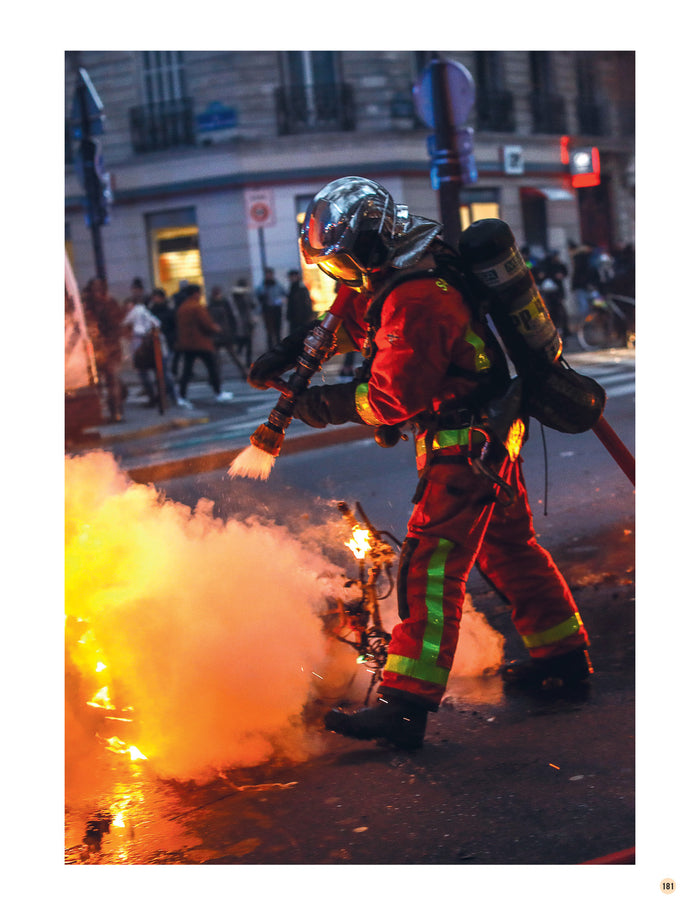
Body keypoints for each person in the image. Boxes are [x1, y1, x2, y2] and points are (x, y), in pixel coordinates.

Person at [248, 176, 593, 750]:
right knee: (508, 547)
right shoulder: (410, 271)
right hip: (488, 433)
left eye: (339, 263)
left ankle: (404, 706)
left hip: (465, 444)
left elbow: (390, 397)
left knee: (429, 569)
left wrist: (321, 404)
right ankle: (562, 656)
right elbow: (360, 320)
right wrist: (295, 348)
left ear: (364, 248)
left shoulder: (417, 298)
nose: (339, 277)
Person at [123, 294, 187, 409]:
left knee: (148, 372)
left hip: (146, 349)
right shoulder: (145, 313)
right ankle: (170, 397)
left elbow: (127, 326)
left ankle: (158, 397)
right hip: (156, 347)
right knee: (162, 373)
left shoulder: (136, 312)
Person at [175, 283, 233, 404]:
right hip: (201, 342)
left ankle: (182, 395)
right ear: (195, 294)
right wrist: (216, 328)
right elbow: (206, 323)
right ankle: (218, 392)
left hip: (187, 343)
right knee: (212, 368)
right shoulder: (197, 307)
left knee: (186, 370)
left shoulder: (182, 307)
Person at [82, 277, 126, 423]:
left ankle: (106, 412)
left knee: (100, 382)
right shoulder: (108, 302)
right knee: (110, 382)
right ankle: (115, 412)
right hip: (107, 348)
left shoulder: (88, 304)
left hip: (99, 348)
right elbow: (117, 325)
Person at [208, 286, 247, 378]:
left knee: (233, 355)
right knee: (218, 358)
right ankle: (216, 376)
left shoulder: (223, 304)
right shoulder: (214, 305)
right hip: (218, 334)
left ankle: (244, 372)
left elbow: (232, 318)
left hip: (225, 333)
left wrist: (233, 332)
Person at [256, 267, 286, 349]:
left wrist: (279, 302)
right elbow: (258, 297)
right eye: (267, 274)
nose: (268, 276)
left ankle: (279, 346)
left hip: (276, 310)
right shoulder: (262, 287)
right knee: (269, 331)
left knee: (278, 330)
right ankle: (271, 347)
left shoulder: (278, 285)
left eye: (270, 274)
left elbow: (284, 295)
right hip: (267, 311)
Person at [231, 277, 256, 367]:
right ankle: (240, 360)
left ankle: (246, 361)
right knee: (243, 343)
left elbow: (252, 305)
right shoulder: (238, 296)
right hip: (242, 323)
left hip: (246, 322)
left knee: (247, 344)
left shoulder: (246, 295)